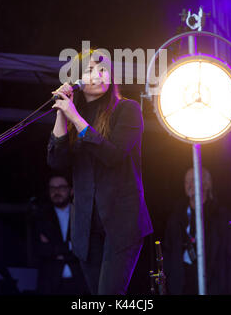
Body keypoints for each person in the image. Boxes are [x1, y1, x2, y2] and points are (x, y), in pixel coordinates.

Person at [47, 48, 153, 295]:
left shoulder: (127, 109)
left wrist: (74, 117)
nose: (99, 74)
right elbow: (56, 161)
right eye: (90, 70)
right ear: (78, 81)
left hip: (122, 224)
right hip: (85, 228)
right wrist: (63, 113)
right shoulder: (76, 116)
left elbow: (113, 155)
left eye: (103, 69)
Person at [163, 167, 231, 295]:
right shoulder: (177, 215)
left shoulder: (218, 214)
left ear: (206, 185)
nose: (189, 185)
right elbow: (168, 249)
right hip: (182, 280)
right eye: (186, 181)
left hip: (210, 279)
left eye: (193, 180)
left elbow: (226, 252)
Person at [33, 173, 88, 295]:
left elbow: (85, 249)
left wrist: (55, 250)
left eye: (61, 187)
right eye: (53, 188)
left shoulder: (82, 215)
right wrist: (69, 246)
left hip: (80, 283)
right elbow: (40, 250)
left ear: (71, 190)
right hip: (50, 284)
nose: (56, 192)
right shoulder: (40, 216)